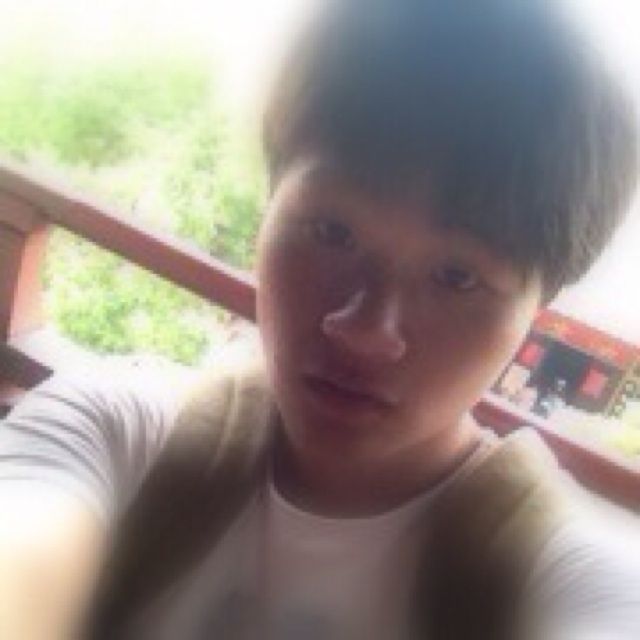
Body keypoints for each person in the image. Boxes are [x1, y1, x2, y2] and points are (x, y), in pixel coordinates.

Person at [1, 1, 639, 639]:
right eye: (332, 232)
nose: (366, 330)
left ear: (538, 308)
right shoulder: (119, 432)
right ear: (270, 205)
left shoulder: (558, 574)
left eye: (457, 277)